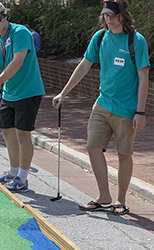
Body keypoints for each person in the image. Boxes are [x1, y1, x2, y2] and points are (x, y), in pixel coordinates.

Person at [52, 0, 150, 215]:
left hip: (127, 109)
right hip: (102, 104)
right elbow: (84, 65)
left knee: (124, 154)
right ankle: (103, 195)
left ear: (123, 15)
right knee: (93, 147)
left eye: (113, 15)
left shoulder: (136, 40)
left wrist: (140, 112)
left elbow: (144, 77)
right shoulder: (100, 37)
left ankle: (120, 199)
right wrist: (63, 93)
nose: (109, 19)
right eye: (106, 15)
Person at [0, 1, 45, 192]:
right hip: (10, 93)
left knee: (22, 134)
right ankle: (12, 172)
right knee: (7, 131)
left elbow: (17, 62)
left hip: (29, 90)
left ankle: (23, 178)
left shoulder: (20, 33)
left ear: (5, 15)